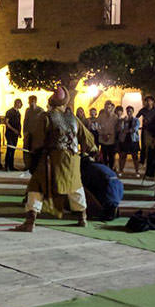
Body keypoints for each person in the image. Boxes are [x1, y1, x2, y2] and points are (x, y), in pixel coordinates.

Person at [13, 86, 95, 232]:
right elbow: (88, 139)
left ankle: (30, 221)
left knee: (36, 187)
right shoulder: (73, 118)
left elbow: (37, 140)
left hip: (52, 159)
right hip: (73, 159)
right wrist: (91, 151)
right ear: (65, 102)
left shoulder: (46, 116)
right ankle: (82, 218)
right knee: (75, 186)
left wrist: (33, 153)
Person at [118, 105, 140, 175]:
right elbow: (120, 129)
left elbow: (135, 128)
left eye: (130, 111)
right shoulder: (123, 120)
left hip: (133, 140)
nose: (129, 112)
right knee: (123, 155)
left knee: (135, 156)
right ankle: (121, 170)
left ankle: (137, 171)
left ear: (133, 112)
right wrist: (123, 122)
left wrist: (128, 131)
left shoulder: (136, 120)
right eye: (128, 111)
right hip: (124, 140)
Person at [97, 100, 119, 168]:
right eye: (106, 107)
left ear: (111, 108)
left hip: (111, 139)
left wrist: (109, 135)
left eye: (109, 108)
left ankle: (111, 169)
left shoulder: (115, 117)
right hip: (103, 139)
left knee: (111, 156)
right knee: (104, 155)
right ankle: (105, 168)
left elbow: (116, 128)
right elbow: (98, 126)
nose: (107, 109)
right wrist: (102, 134)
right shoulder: (101, 116)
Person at [4, 99, 23, 171]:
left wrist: (19, 132)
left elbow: (19, 124)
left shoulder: (18, 113)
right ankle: (7, 166)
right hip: (10, 133)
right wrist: (13, 130)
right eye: (20, 103)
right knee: (10, 149)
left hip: (15, 134)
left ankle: (11, 166)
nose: (21, 105)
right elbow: (6, 122)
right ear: (16, 103)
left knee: (13, 150)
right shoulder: (10, 112)